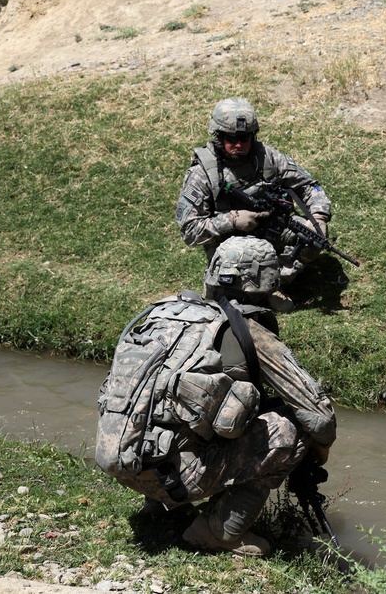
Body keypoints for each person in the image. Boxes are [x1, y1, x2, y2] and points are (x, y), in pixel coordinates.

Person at [95, 236, 337, 557]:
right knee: (292, 429)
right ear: (265, 284)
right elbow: (320, 417)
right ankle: (220, 532)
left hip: (124, 463)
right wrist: (314, 452)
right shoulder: (251, 331)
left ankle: (155, 505)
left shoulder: (165, 313)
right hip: (179, 480)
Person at [175, 97, 333, 302]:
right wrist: (231, 220)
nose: (238, 144)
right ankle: (231, 289)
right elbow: (189, 231)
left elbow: (309, 186)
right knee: (244, 254)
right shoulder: (203, 173)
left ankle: (277, 282)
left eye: (244, 138)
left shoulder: (268, 158)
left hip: (273, 227)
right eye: (231, 139)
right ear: (219, 136)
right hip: (231, 241)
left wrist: (318, 217)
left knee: (313, 237)